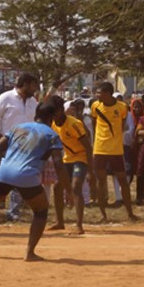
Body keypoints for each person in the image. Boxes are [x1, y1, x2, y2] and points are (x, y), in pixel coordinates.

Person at [0, 100, 74, 261]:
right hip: (28, 175)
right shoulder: (51, 135)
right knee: (40, 211)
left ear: (36, 114)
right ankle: (30, 253)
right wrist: (68, 189)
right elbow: (59, 163)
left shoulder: (18, 128)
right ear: (53, 117)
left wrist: (6, 164)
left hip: (5, 172)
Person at [0, 73, 39, 221]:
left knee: (20, 177)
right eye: (33, 85)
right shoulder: (6, 97)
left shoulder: (33, 102)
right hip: (6, 144)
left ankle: (14, 212)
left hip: (25, 146)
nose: (35, 89)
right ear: (25, 84)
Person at [91, 81, 138, 221]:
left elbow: (122, 127)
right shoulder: (95, 106)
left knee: (123, 181)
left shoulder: (122, 107)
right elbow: (95, 125)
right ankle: (102, 214)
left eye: (99, 92)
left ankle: (130, 213)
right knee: (101, 182)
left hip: (116, 150)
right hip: (100, 149)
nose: (97, 95)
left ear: (108, 93)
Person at [48, 95, 93, 234]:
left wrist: (91, 171)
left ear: (61, 110)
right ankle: (60, 222)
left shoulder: (74, 124)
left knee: (75, 186)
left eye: (54, 111)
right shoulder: (52, 124)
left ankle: (79, 225)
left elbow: (88, 147)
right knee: (57, 187)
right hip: (67, 158)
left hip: (81, 157)